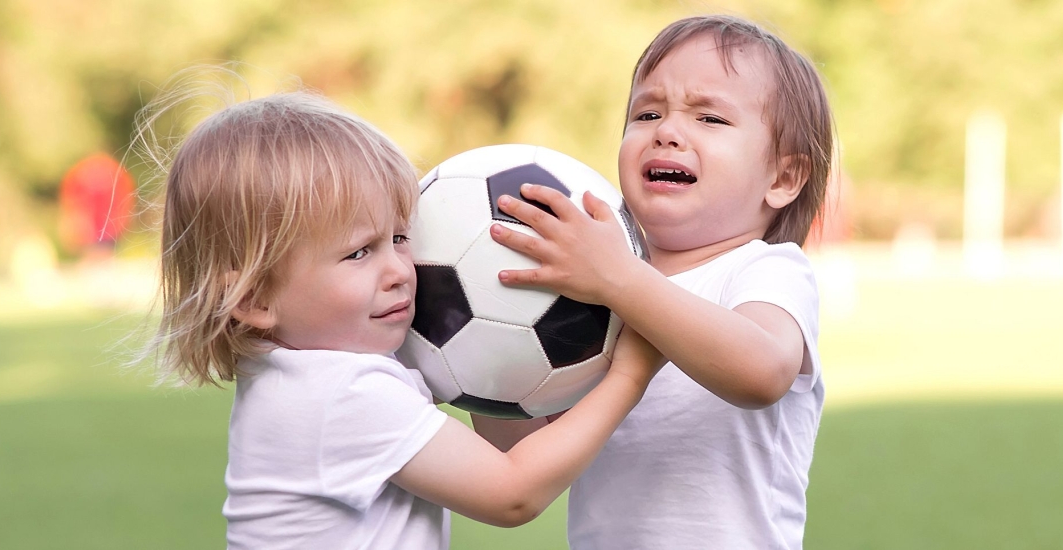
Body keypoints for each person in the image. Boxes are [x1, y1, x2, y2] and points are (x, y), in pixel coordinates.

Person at [141, 87, 662, 549]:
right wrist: (631, 374)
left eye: (398, 237)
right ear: (255, 299)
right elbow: (511, 494)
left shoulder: (305, 373)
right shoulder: (340, 394)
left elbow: (499, 430)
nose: (400, 270)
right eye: (358, 252)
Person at [486, 15, 834, 550]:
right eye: (647, 112)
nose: (666, 131)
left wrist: (621, 279)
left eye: (711, 118)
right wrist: (482, 353)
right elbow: (521, 454)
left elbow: (761, 372)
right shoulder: (590, 297)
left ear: (783, 178)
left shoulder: (764, 269)